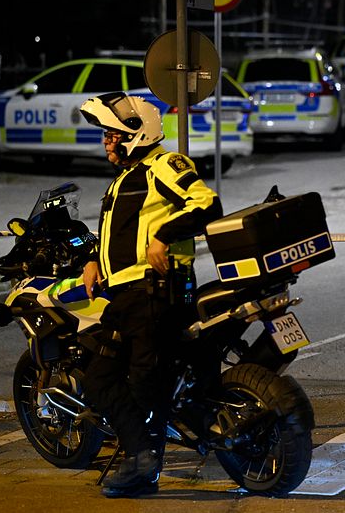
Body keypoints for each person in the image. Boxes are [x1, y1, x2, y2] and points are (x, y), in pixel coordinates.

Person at [78, 91, 223, 498]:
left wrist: (164, 235)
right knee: (99, 380)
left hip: (155, 293)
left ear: (136, 134)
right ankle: (140, 453)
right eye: (105, 133)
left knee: (144, 382)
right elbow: (115, 235)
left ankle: (142, 466)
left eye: (112, 133)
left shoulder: (164, 164)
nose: (106, 141)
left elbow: (207, 204)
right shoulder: (125, 177)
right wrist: (92, 259)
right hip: (125, 297)